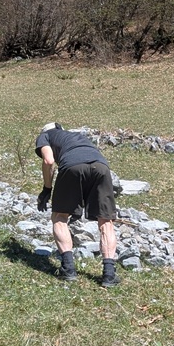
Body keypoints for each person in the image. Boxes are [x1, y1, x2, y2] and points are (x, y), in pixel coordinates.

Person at [35, 122, 119, 286]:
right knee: (106, 222)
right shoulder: (76, 136)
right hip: (101, 167)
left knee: (59, 217)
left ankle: (68, 268)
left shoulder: (45, 136)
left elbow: (48, 161)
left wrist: (47, 189)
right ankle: (109, 274)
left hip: (72, 167)